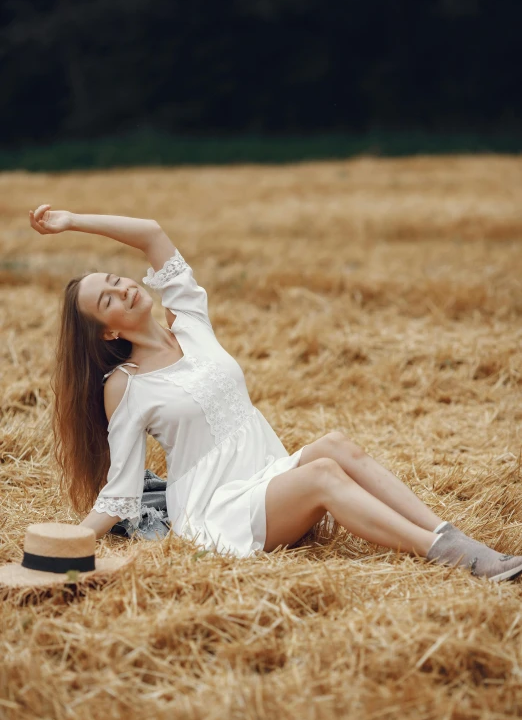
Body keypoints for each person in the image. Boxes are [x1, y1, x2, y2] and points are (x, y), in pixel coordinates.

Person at [29, 204, 522, 582]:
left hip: (263, 475)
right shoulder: (125, 385)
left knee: (335, 444)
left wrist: (71, 221)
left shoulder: (192, 324)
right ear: (107, 333)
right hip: (216, 511)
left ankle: (451, 536)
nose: (124, 289)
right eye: (107, 299)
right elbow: (120, 492)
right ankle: (453, 558)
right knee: (324, 473)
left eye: (117, 280)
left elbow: (153, 233)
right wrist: (68, 544)